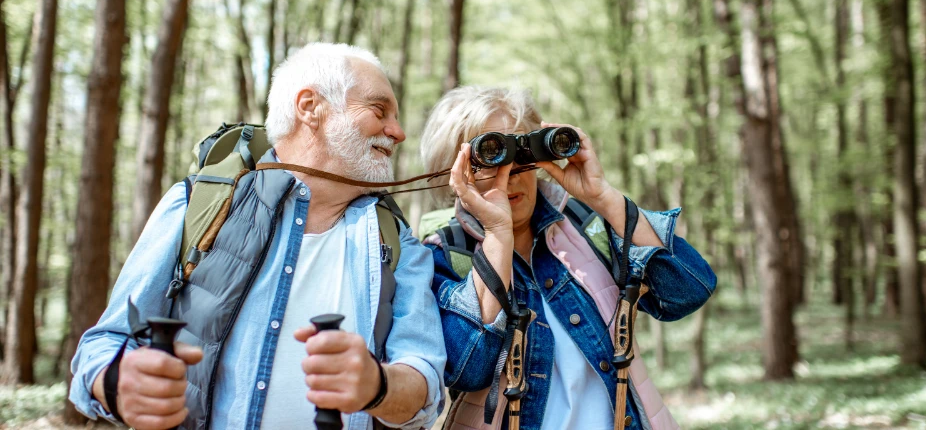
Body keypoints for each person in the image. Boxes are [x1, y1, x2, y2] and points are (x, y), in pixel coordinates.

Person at [69, 43, 446, 430]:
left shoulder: (399, 243)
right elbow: (103, 346)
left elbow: (425, 385)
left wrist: (378, 386)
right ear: (309, 107)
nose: (398, 133)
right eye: (379, 111)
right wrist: (117, 384)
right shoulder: (200, 202)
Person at [419, 86, 717, 430]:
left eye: (521, 151)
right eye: (490, 154)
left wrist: (603, 197)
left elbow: (686, 293)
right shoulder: (444, 255)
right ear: (453, 173)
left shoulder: (585, 225)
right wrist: (497, 234)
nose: (510, 172)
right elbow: (467, 368)